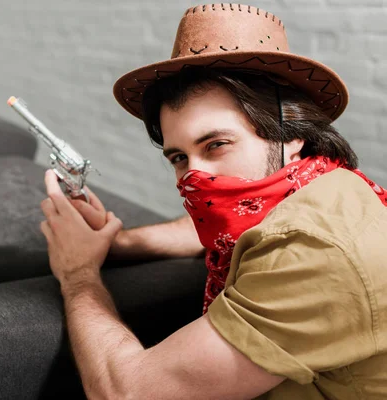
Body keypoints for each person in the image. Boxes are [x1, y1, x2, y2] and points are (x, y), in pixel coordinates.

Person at [40, 4, 387, 399]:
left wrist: (78, 274)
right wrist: (117, 241)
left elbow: (126, 393)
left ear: (292, 135)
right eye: (178, 157)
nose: (194, 175)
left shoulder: (312, 250)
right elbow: (228, 228)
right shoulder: (319, 183)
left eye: (216, 144)